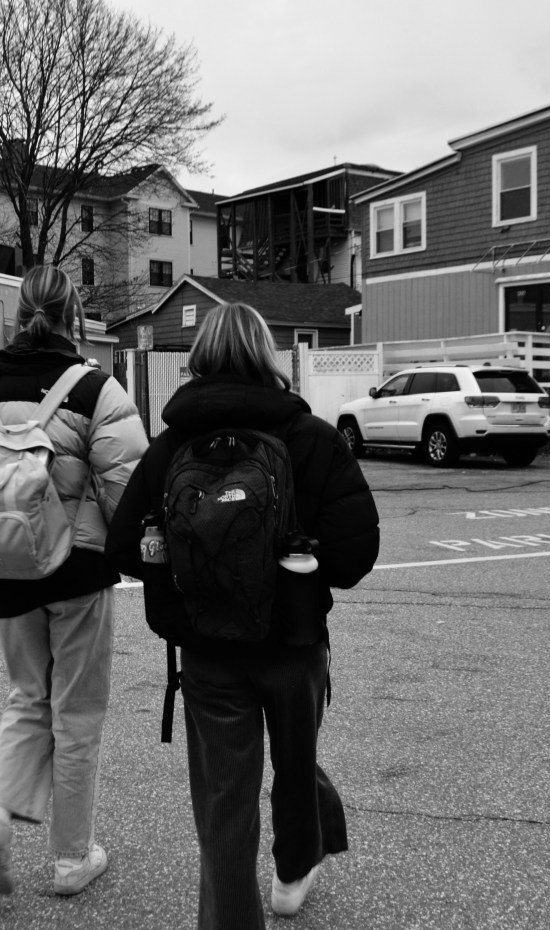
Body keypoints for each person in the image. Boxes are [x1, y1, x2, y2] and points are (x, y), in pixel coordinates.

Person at [105, 302, 380, 928]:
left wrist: (185, 571)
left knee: (225, 803)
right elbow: (355, 556)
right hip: (294, 644)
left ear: (200, 357)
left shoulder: (173, 444)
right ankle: (292, 873)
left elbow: (123, 547)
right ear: (266, 355)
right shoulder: (310, 438)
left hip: (207, 652)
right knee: (295, 763)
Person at [0, 265, 148, 897]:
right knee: (76, 712)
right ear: (73, 315)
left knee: (27, 696)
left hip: (4, 573)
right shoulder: (96, 390)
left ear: (17, 316)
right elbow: (127, 494)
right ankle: (72, 859)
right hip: (77, 572)